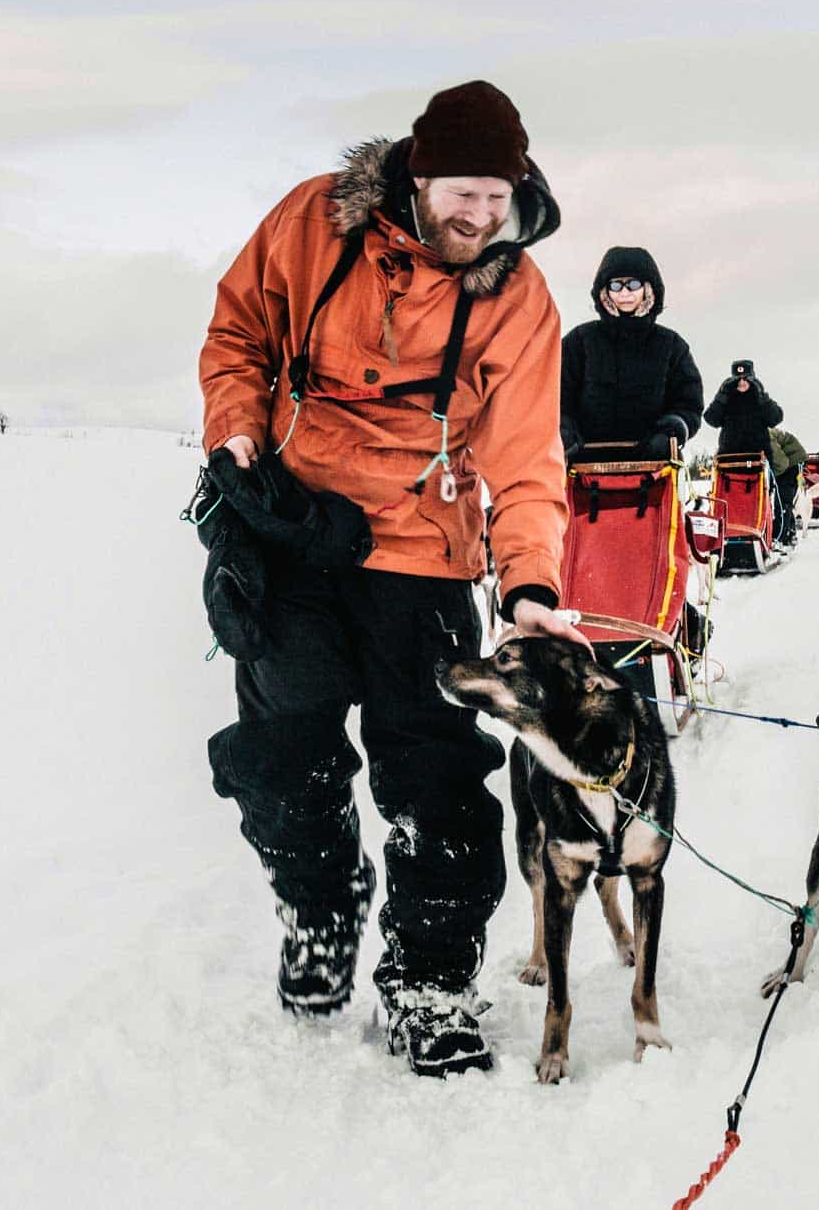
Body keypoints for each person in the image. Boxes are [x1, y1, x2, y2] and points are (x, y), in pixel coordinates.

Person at [196, 80, 584, 1079]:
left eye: (497, 199)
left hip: (422, 550)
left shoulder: (518, 297)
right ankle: (319, 915)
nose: (479, 217)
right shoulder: (310, 224)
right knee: (285, 754)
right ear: (416, 176)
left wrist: (530, 584)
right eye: (463, 193)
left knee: (437, 776)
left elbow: (527, 457)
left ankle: (430, 982)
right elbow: (237, 334)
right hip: (293, 531)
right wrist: (234, 432)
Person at [559, 247, 702, 462]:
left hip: (654, 467)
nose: (624, 293)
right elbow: (555, 396)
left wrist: (672, 430)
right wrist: (564, 428)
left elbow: (688, 403)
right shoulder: (579, 341)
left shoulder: (671, 345)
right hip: (585, 467)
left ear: (647, 289)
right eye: (616, 285)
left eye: (633, 285)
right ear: (605, 291)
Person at [704, 359, 783, 457]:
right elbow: (711, 419)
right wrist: (721, 396)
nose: (742, 382)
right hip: (729, 457)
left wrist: (762, 396)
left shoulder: (760, 399)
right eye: (738, 379)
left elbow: (775, 419)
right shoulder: (726, 399)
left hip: (758, 458)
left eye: (746, 379)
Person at [767, 426, 808, 545]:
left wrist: (772, 479)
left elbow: (781, 463)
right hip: (786, 464)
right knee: (784, 500)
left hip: (792, 463)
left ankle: (780, 537)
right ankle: (790, 532)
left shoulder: (766, 437)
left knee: (782, 501)